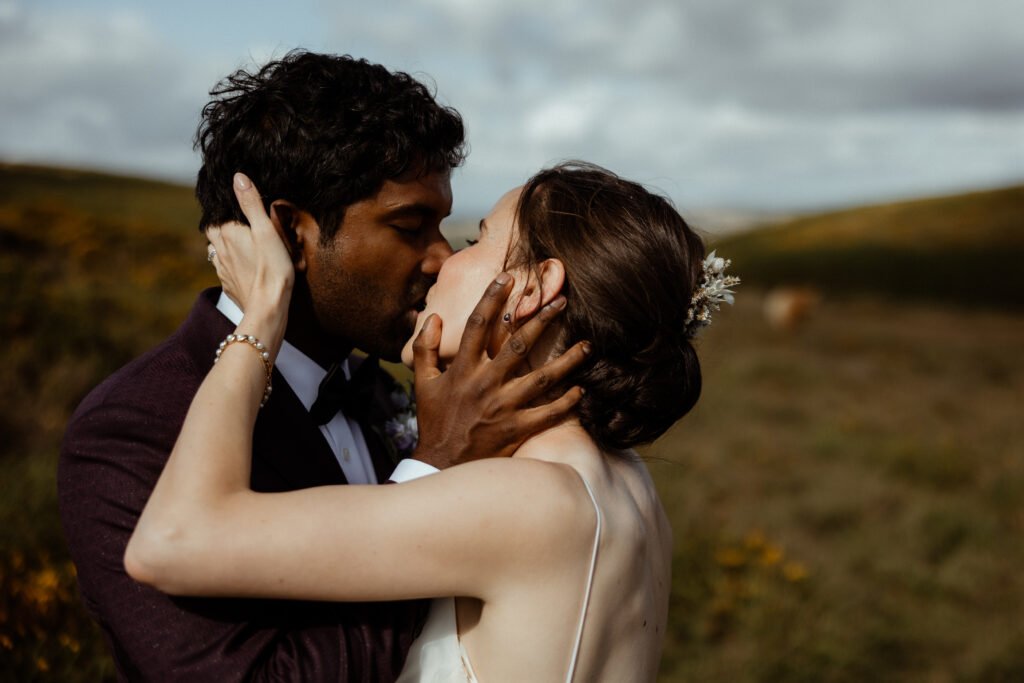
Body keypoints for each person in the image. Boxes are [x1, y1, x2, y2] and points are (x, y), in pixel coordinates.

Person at [59, 51, 584, 682]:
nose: (442, 259)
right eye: (410, 225)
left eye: (444, 226)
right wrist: (438, 472)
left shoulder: (378, 389)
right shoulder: (133, 427)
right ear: (288, 233)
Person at [125, 162, 739, 682]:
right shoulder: (628, 483)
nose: (444, 261)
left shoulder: (523, 501)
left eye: (477, 241)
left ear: (532, 287)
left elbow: (171, 540)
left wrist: (260, 315)